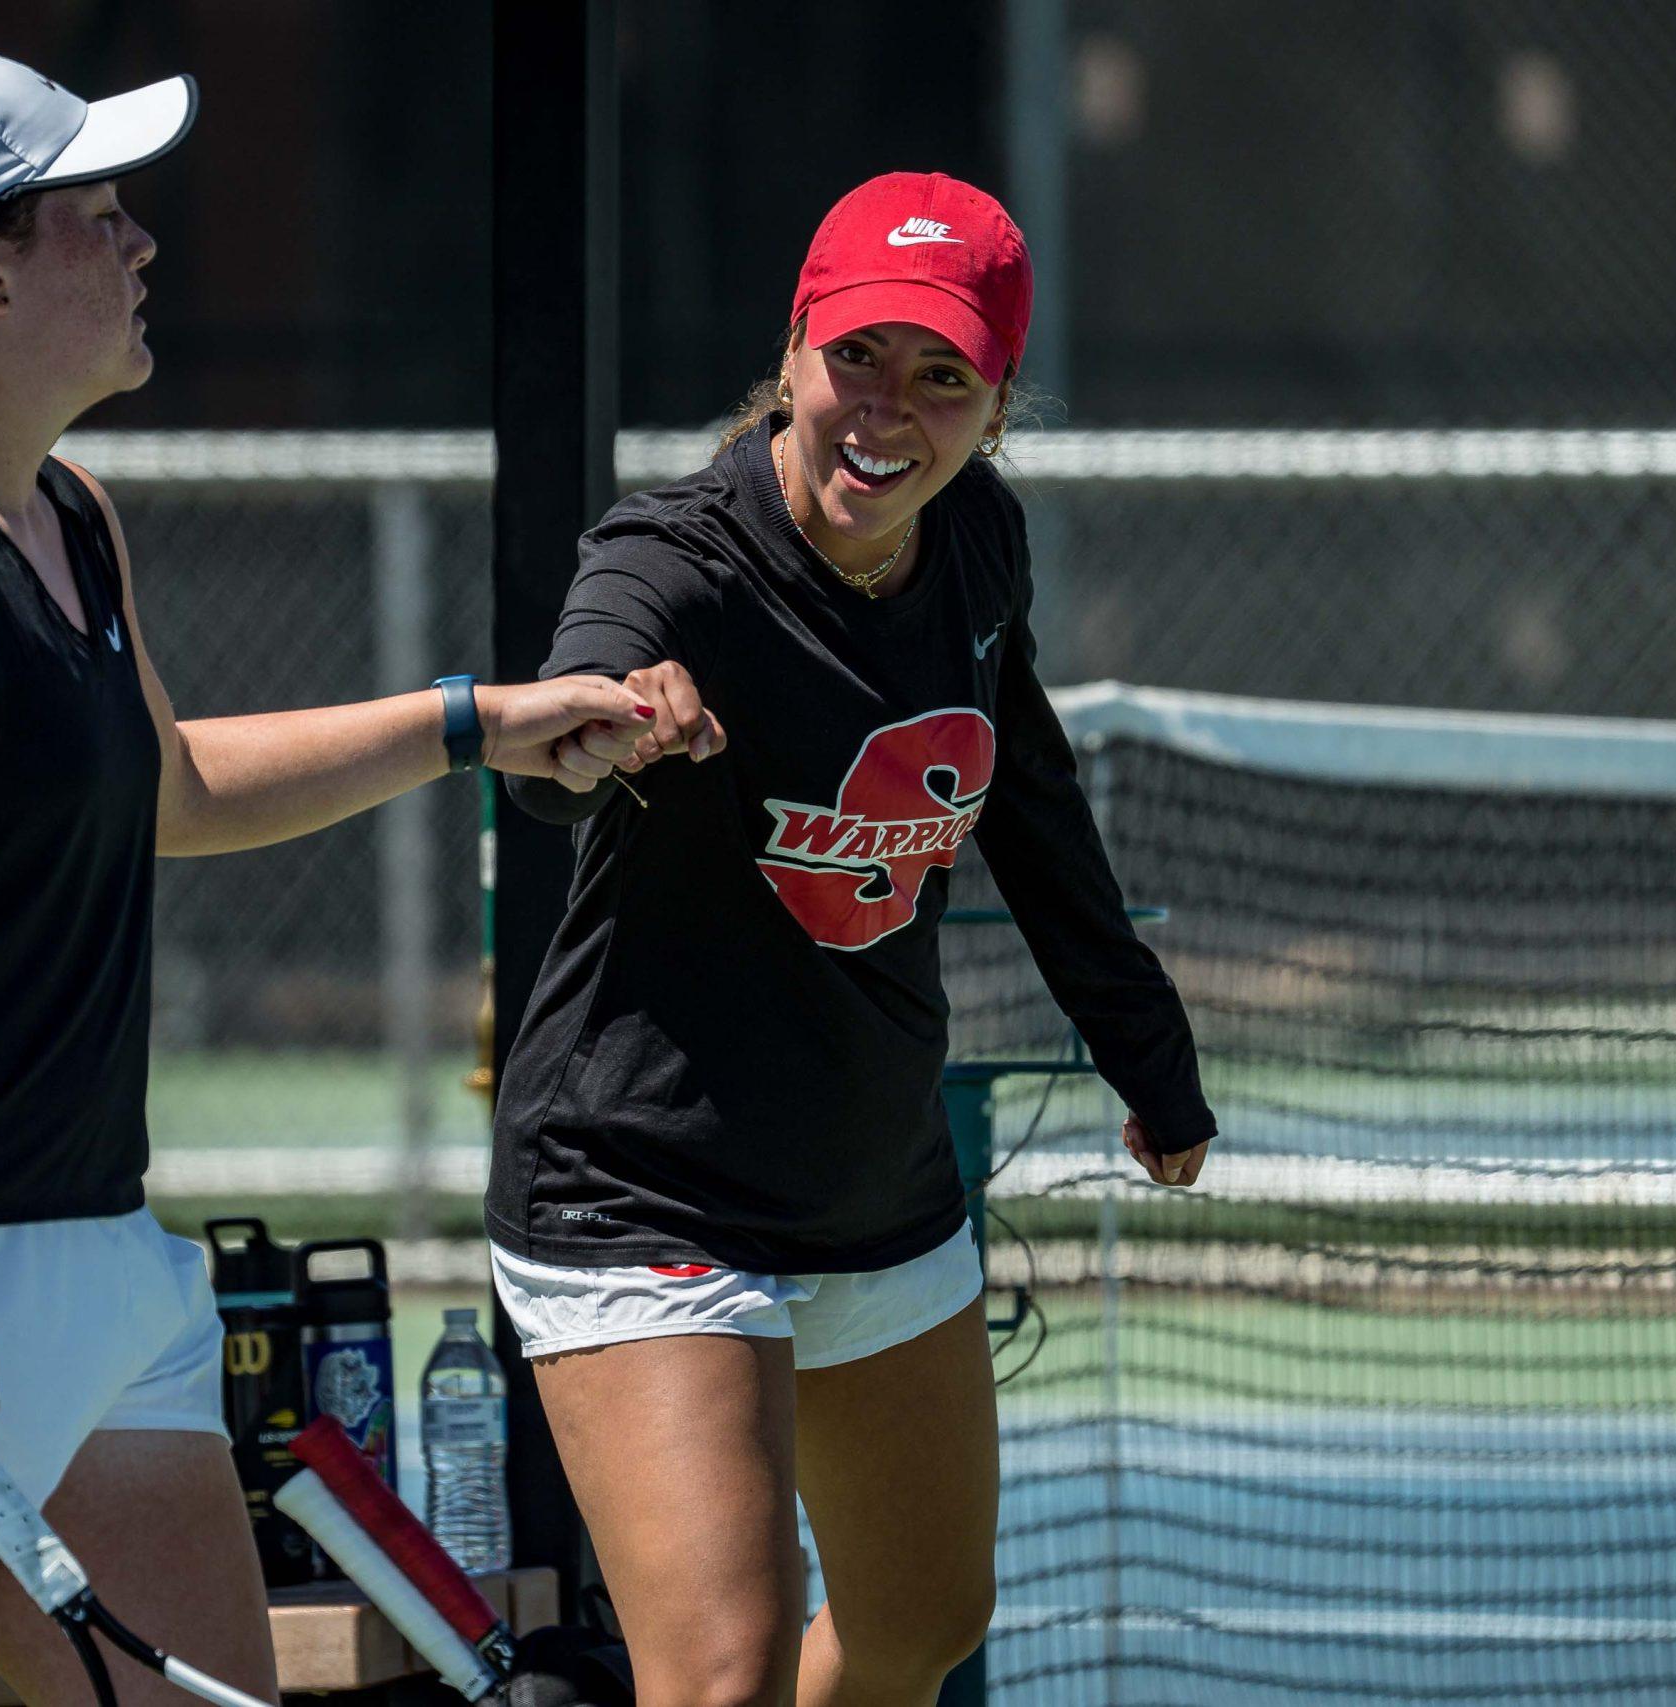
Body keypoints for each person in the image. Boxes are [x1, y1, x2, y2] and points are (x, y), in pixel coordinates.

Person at [0, 50, 661, 1705]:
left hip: (97, 1268)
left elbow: (171, 787)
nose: (143, 244)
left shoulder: (69, 513)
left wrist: (474, 722)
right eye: (101, 216)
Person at [492, 171, 1216, 1707]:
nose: (888, 410)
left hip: (875, 1181)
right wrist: (602, 728)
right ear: (796, 350)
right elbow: (572, 706)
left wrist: (1147, 1052)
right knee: (724, 1679)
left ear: (997, 406)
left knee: (916, 1631)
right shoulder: (674, 558)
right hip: (644, 1185)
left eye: (943, 375)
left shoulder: (976, 547)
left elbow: (1027, 799)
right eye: (861, 357)